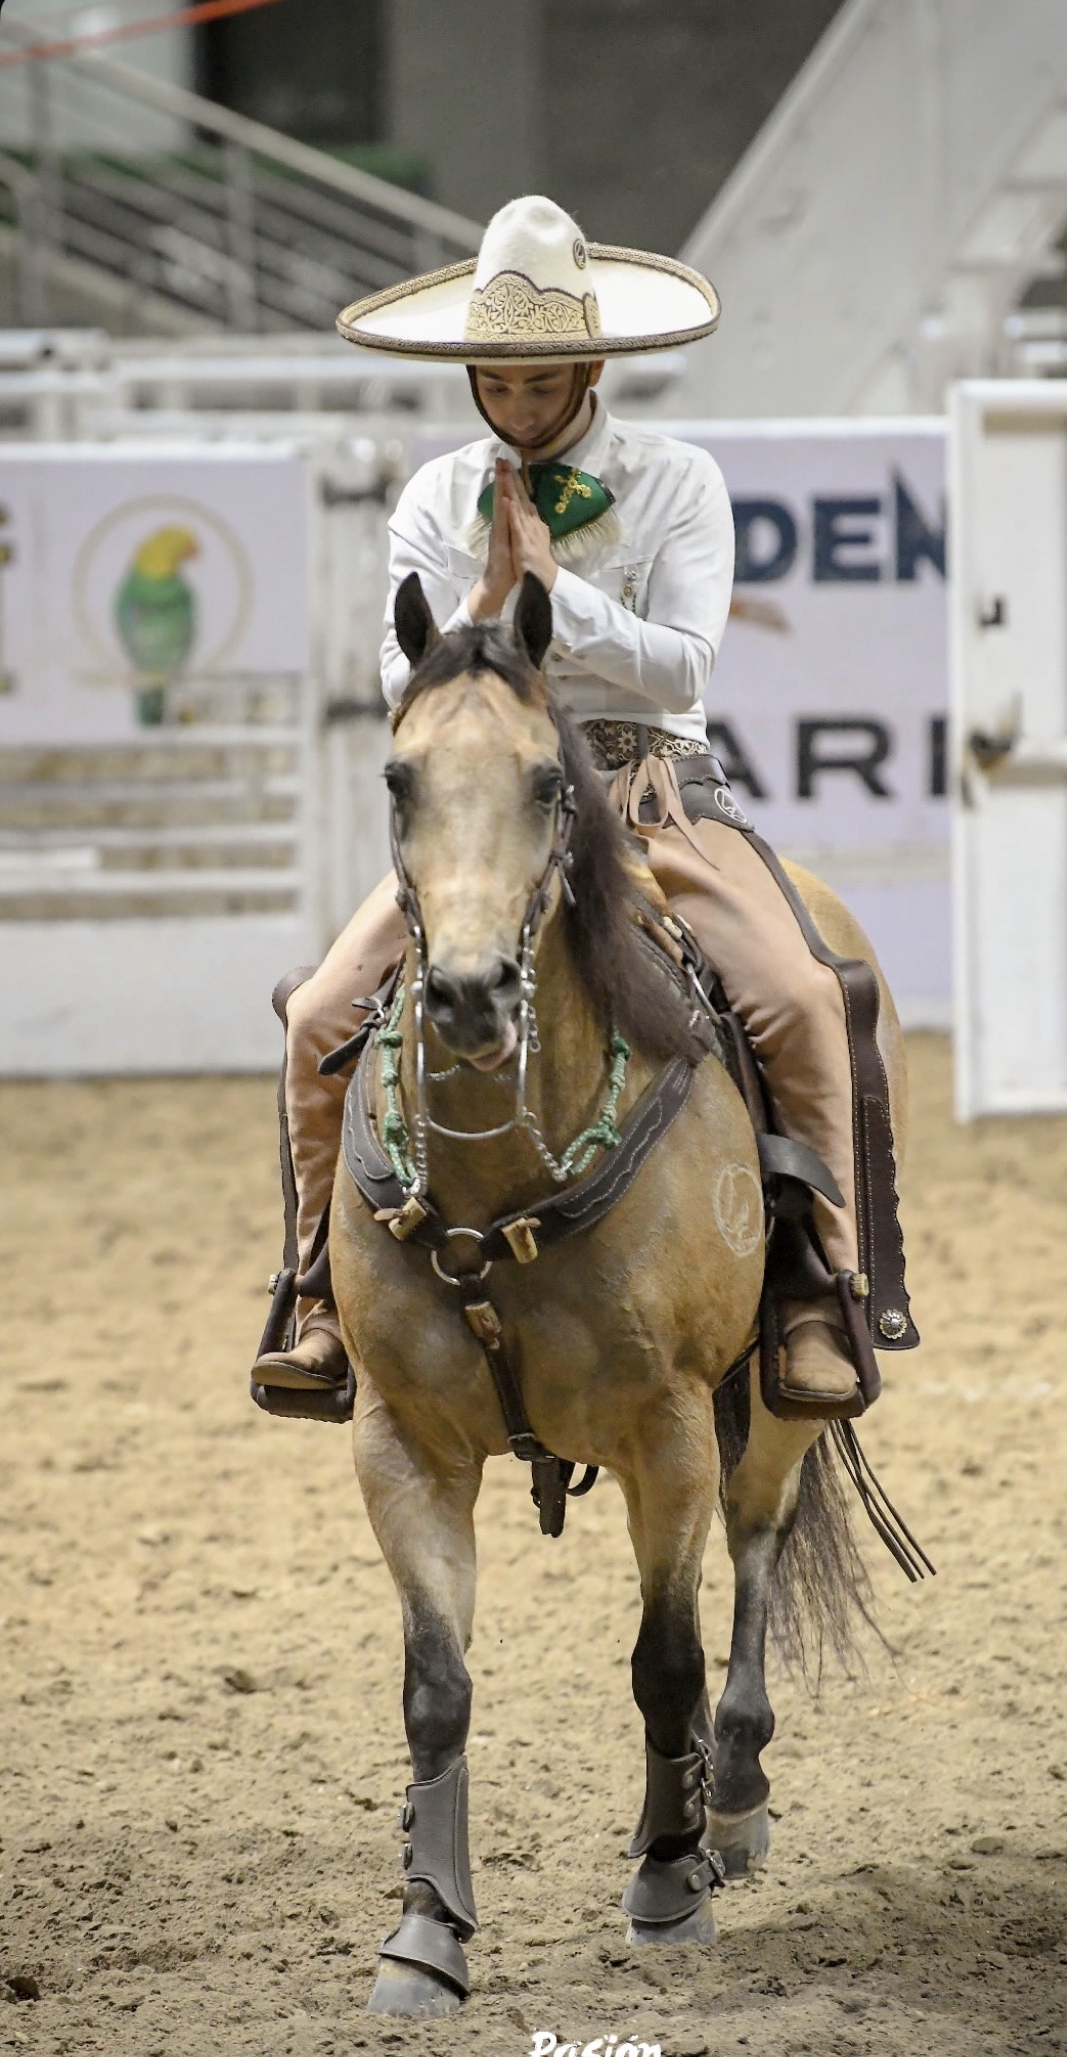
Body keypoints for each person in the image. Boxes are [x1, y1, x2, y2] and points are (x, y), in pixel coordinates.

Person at [252, 194, 910, 1411]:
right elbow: (405, 682)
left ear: (593, 366)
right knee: (317, 1020)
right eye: (496, 386)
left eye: (540, 384)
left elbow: (687, 666)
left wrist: (562, 597)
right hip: (488, 813)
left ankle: (821, 1288)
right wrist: (483, 614)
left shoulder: (678, 482)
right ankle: (314, 1296)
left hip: (652, 793)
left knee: (806, 997)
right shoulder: (436, 498)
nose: (516, 407)